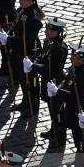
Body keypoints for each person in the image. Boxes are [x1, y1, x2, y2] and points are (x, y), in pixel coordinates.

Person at [0, 0, 44, 119]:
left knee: (31, 81)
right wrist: (8, 33)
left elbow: (26, 39)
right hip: (20, 50)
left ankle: (33, 108)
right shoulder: (22, 10)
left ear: (31, 1)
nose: (20, 2)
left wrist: (9, 40)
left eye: (24, 0)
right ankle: (25, 102)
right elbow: (16, 26)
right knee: (22, 79)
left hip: (30, 51)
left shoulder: (34, 18)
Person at [51, 43, 84, 151]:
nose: (70, 57)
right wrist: (57, 87)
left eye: (74, 56)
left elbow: (78, 97)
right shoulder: (74, 68)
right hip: (70, 108)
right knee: (76, 135)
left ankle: (83, 157)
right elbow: (66, 81)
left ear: (81, 59)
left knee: (81, 137)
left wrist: (59, 92)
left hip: (79, 110)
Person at [32, 18, 68, 148]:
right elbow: (41, 55)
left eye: (49, 29)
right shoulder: (49, 42)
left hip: (55, 82)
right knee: (51, 110)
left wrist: (35, 67)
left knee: (58, 112)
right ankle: (53, 130)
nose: (46, 31)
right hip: (47, 80)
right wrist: (34, 62)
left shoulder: (60, 48)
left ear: (57, 32)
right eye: (47, 28)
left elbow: (52, 68)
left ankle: (60, 138)